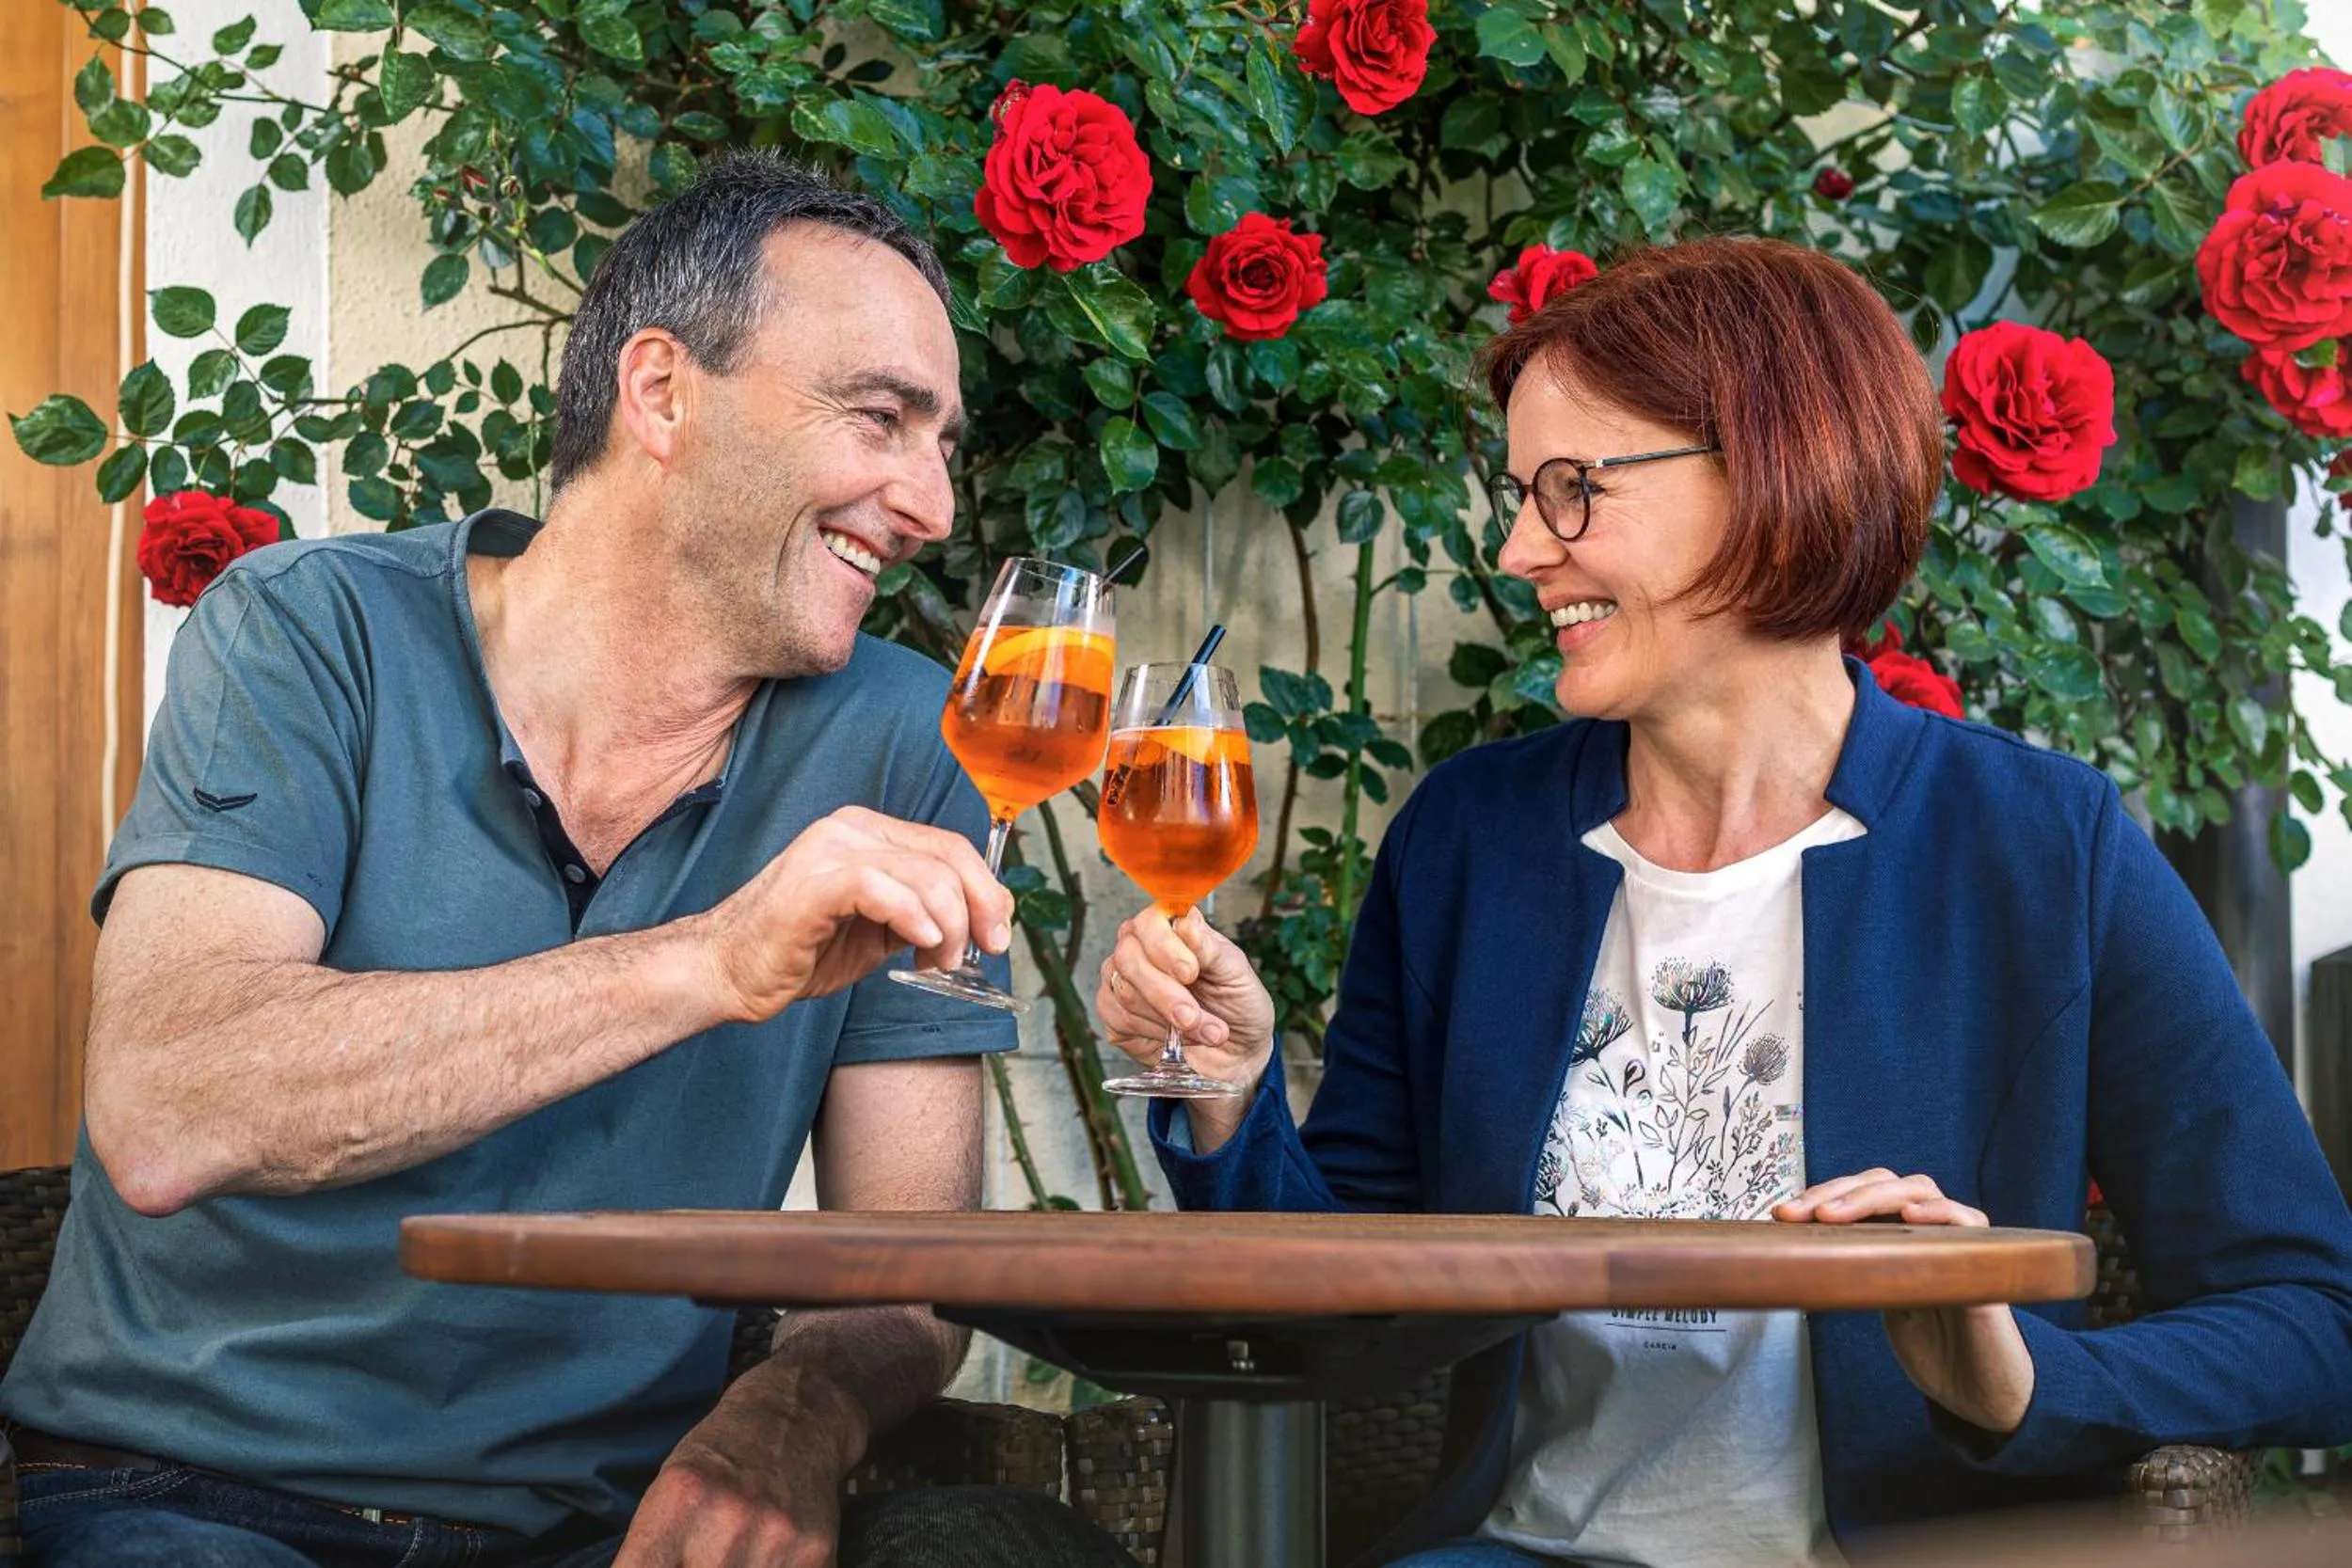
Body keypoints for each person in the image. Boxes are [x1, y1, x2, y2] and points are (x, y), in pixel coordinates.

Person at [1096, 237, 2352, 1567]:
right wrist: (1226, 1093)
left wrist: (2022, 1381)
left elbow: (2313, 1315)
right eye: (1521, 494)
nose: (1518, 549)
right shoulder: (1469, 839)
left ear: (1775, 475)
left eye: (1574, 490)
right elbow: (1343, 1306)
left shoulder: (2044, 847)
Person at [0, 152, 1132, 1568]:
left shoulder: (911, 738)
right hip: (194, 1494)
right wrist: (713, 961)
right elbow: (170, 1106)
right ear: (661, 393)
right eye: (880, 419)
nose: (933, 506)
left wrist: (791, 1414)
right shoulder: (308, 633)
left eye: (942, 443)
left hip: (599, 1531)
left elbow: (905, 1268)